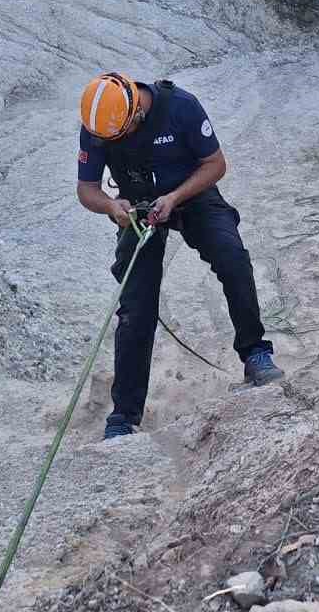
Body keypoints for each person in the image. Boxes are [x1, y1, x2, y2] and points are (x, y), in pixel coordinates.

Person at [75, 72, 283, 439]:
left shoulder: (181, 107)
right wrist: (111, 206)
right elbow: (87, 189)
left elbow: (215, 164)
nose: (116, 142)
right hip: (137, 208)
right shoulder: (99, 126)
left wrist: (175, 197)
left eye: (120, 136)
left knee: (232, 258)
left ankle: (255, 354)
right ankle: (124, 415)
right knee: (135, 307)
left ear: (136, 112)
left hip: (191, 194)